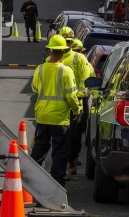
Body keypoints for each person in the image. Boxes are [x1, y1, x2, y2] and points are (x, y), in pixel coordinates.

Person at [30, 35, 81, 187]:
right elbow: (71, 96)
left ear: (50, 50)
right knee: (60, 151)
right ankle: (57, 182)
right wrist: (76, 109)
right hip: (59, 118)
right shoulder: (66, 71)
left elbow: (34, 88)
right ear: (64, 52)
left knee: (40, 147)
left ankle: (29, 177)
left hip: (42, 115)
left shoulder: (40, 69)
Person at [57, 27, 92, 175]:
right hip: (58, 103)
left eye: (69, 41)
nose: (67, 44)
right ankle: (59, 164)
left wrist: (79, 98)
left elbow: (86, 79)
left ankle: (71, 160)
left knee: (74, 135)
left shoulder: (79, 58)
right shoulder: (53, 58)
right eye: (64, 41)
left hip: (76, 101)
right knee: (58, 134)